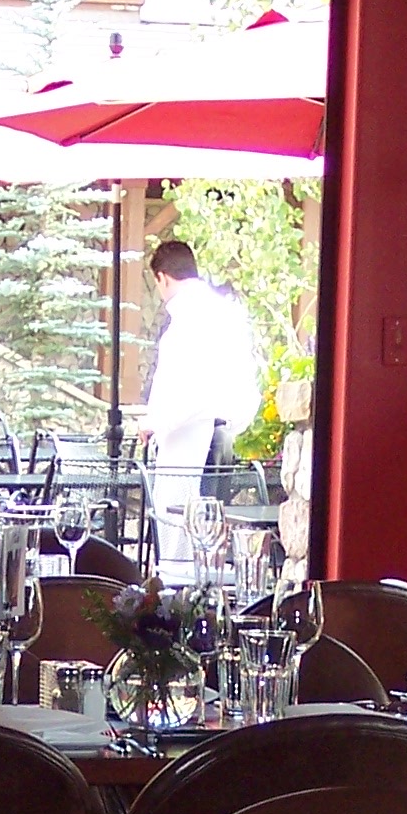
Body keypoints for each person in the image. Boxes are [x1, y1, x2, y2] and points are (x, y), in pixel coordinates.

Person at [137, 240, 261, 577]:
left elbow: (187, 386)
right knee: (212, 534)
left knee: (184, 532)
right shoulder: (226, 311)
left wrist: (154, 422)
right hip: (223, 433)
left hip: (190, 436)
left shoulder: (188, 318)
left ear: (162, 278)